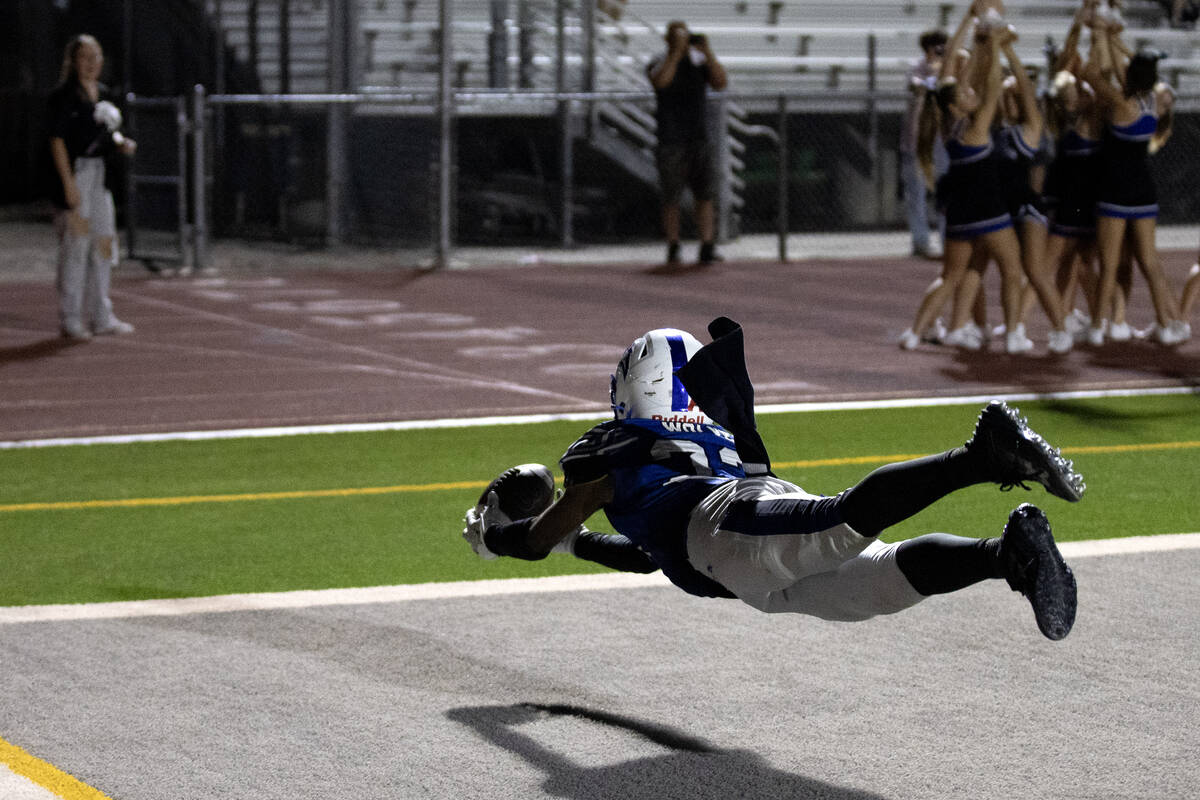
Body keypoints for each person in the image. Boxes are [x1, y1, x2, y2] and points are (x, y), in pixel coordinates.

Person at [463, 318, 1084, 641]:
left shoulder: (608, 447)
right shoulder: (703, 435)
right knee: (881, 580)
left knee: (836, 522)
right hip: (742, 565)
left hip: (722, 532)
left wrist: (502, 538)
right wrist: (576, 543)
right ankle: (1010, 558)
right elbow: (645, 560)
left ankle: (981, 457)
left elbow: (543, 535)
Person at [1082, 11, 1190, 346]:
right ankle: (1168, 324)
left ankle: (1098, 327)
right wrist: (1114, 38)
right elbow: (1127, 70)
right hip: (1143, 190)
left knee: (1110, 262)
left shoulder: (1120, 102)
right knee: (1150, 261)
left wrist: (1099, 34)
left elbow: (1091, 73)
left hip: (1115, 190)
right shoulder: (1153, 101)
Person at [47, 33, 138, 341]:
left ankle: (102, 314)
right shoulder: (64, 97)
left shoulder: (104, 94)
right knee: (76, 244)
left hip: (101, 179)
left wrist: (121, 143)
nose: (90, 64)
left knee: (104, 243)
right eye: (84, 58)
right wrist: (68, 184)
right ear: (73, 61)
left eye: (95, 57)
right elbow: (57, 140)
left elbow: (106, 135)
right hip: (79, 174)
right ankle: (71, 316)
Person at [646, 21, 728, 266]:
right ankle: (673, 245)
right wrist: (675, 53)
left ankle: (707, 245)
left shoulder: (699, 62)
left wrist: (708, 53)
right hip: (671, 139)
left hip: (698, 137)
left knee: (705, 194)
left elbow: (720, 82)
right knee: (671, 196)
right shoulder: (659, 61)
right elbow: (660, 81)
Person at [901, 28, 949, 260]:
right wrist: (932, 72)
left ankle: (946, 239)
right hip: (917, 141)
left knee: (945, 193)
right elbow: (916, 86)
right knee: (916, 195)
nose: (940, 52)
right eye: (936, 47)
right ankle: (920, 241)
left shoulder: (949, 71)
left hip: (941, 142)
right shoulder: (916, 68)